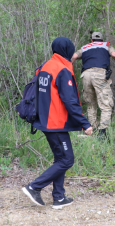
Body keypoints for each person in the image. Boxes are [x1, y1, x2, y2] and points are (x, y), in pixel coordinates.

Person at [22, 37, 93, 209]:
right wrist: (85, 123)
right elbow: (70, 101)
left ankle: (59, 197)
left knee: (60, 158)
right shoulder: (62, 70)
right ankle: (34, 187)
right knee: (67, 160)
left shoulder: (46, 66)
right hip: (56, 123)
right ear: (67, 50)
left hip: (45, 121)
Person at [70, 31, 115, 139]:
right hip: (99, 74)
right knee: (106, 104)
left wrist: (68, 68)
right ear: (101, 40)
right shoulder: (106, 45)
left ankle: (92, 129)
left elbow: (74, 56)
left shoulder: (85, 47)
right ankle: (103, 132)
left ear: (92, 40)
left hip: (86, 75)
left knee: (90, 103)